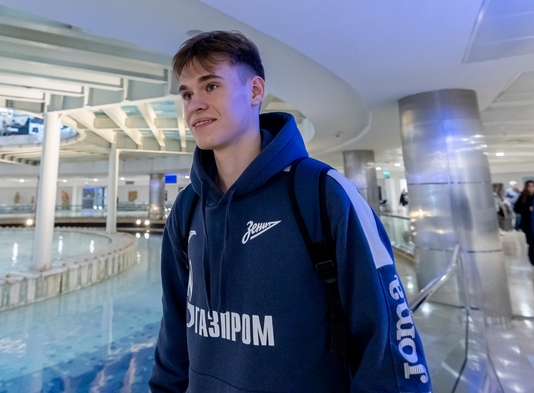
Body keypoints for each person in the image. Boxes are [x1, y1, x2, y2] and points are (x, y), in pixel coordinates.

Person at [149, 31, 430, 392]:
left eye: (211, 86)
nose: (195, 104)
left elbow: (389, 345)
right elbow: (174, 328)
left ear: (255, 91)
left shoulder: (322, 193)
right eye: (187, 94)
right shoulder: (187, 207)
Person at [514, 180, 534, 266]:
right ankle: (533, 261)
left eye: (533, 186)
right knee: (532, 243)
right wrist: (527, 209)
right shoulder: (523, 197)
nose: (531, 188)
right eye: (529, 186)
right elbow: (516, 209)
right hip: (528, 224)